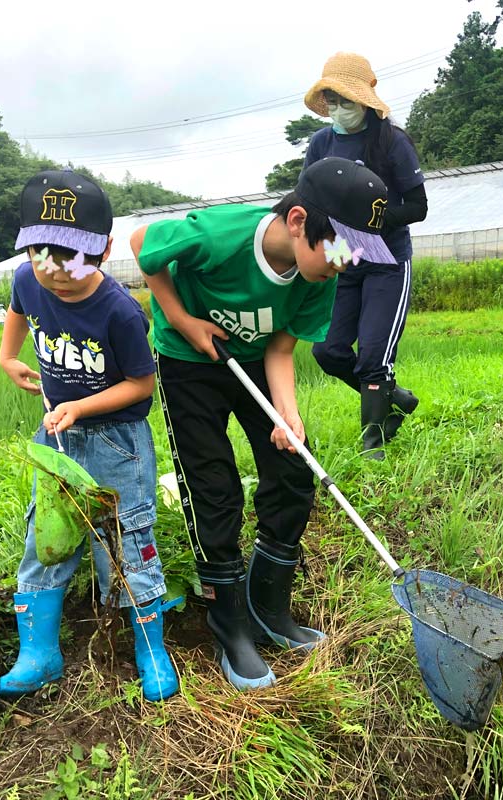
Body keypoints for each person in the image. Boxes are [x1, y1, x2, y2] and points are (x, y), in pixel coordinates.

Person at [131, 157, 393, 691]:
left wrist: (287, 414)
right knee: (213, 485)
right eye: (341, 246)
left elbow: (280, 346)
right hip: (188, 363)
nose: (347, 262)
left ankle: (268, 601)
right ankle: (228, 618)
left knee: (293, 464)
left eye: (357, 253)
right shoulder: (222, 235)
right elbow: (141, 243)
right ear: (298, 221)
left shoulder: (320, 274)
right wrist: (182, 320)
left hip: (253, 361)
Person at [0, 169, 179, 702]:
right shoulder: (30, 280)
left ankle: (150, 649)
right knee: (45, 540)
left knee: (127, 540)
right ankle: (39, 654)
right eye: (40, 253)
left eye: (70, 256)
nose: (54, 270)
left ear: (103, 247)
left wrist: (81, 405)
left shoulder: (119, 310)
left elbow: (141, 384)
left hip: (116, 442)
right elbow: (18, 311)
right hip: (58, 439)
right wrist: (8, 358)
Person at [303, 52, 429, 459]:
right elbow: (309, 196)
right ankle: (396, 397)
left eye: (346, 102)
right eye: (332, 102)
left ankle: (373, 445)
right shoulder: (322, 143)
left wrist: (371, 219)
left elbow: (418, 206)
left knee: (373, 357)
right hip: (342, 254)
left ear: (365, 101)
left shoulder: (392, 142)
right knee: (328, 350)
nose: (339, 111)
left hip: (388, 258)